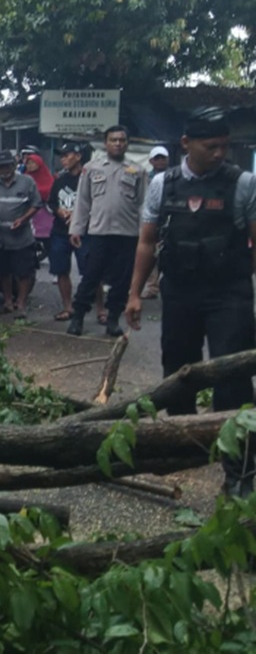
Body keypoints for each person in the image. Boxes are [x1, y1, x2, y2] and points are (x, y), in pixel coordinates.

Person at [125, 112, 256, 497]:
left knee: (231, 373)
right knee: (178, 369)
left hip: (229, 293)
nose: (219, 154)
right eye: (210, 146)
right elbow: (147, 241)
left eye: (224, 146)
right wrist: (134, 294)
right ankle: (186, 445)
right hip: (180, 290)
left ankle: (241, 470)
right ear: (186, 144)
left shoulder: (243, 184)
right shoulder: (163, 184)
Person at [66, 125, 147, 337]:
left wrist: (145, 235)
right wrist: (76, 229)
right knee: (90, 276)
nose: (118, 144)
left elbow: (143, 205)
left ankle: (113, 319)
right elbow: (82, 201)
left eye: (122, 140)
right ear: (105, 143)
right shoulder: (91, 168)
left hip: (127, 234)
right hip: (98, 233)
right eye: (113, 140)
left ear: (127, 143)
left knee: (121, 280)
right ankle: (78, 317)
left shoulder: (138, 170)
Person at [0, 150, 41, 318]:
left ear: (14, 165)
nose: (5, 169)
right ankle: (8, 302)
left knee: (23, 273)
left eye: (8, 166)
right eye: (1, 166)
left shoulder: (27, 181)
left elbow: (36, 204)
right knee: (3, 272)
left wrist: (23, 219)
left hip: (21, 237)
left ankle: (21, 304)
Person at [49, 142, 97, 321]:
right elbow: (52, 202)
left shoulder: (90, 178)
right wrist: (60, 211)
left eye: (66, 155)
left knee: (92, 271)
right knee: (61, 270)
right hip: (61, 230)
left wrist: (79, 215)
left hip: (86, 232)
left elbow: (98, 203)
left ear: (78, 156)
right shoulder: (60, 180)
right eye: (61, 156)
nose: (63, 159)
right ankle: (68, 307)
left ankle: (101, 310)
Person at [140, 146, 171, 299]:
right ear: (151, 161)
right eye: (157, 158)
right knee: (149, 252)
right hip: (149, 219)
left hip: (169, 220)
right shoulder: (145, 177)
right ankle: (151, 287)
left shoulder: (174, 177)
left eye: (162, 158)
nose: (160, 161)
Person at [21, 148, 55, 256]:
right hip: (27, 212)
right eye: (28, 163)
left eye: (33, 163)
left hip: (44, 211)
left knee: (47, 237)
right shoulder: (24, 178)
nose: (30, 165)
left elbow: (51, 192)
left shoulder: (47, 176)